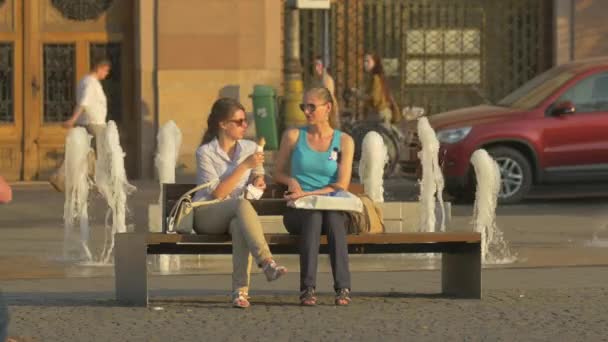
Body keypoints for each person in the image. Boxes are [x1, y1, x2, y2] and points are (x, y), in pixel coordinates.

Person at [193, 97, 287, 308]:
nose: (245, 125)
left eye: (245, 121)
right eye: (239, 121)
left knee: (238, 225)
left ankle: (240, 292)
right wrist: (245, 165)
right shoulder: (205, 153)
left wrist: (258, 179)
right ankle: (267, 262)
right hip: (207, 214)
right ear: (223, 124)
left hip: (235, 214)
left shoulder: (250, 147)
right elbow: (218, 193)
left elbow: (258, 171)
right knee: (241, 205)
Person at [274, 87, 355, 306]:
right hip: (298, 210)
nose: (306, 111)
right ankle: (307, 289)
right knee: (313, 216)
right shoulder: (293, 136)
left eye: (311, 106)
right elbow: (277, 172)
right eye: (303, 106)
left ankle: (343, 288)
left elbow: (341, 184)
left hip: (332, 206)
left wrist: (309, 192)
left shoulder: (344, 141)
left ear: (327, 108)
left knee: (332, 218)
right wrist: (290, 181)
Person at [49, 59, 112, 192]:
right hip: (94, 123)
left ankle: (60, 177)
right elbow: (83, 103)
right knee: (105, 152)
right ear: (99, 68)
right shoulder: (91, 83)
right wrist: (72, 119)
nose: (106, 74)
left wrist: (75, 120)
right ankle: (103, 183)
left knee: (81, 152)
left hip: (86, 122)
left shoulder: (84, 81)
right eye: (106, 71)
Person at [361, 53, 399, 124]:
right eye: (364, 61)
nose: (365, 64)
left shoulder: (376, 78)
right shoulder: (378, 76)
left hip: (379, 114)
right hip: (383, 113)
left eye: (368, 61)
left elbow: (375, 98)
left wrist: (360, 96)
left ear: (375, 63)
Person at [313, 56, 339, 126]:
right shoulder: (317, 80)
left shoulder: (327, 80)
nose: (316, 68)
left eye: (318, 65)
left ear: (323, 66)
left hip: (328, 111)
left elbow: (328, 98)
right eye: (315, 65)